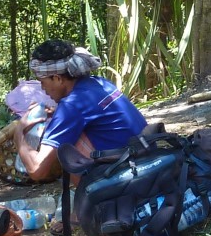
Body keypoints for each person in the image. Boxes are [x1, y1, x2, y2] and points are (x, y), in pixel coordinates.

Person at [12, 40, 148, 183]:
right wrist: (57, 115)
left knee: (64, 145)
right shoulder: (100, 82)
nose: (43, 89)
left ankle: (92, 195)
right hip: (146, 162)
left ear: (57, 78)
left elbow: (37, 171)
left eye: (42, 82)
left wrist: (19, 134)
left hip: (128, 178)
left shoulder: (71, 106)